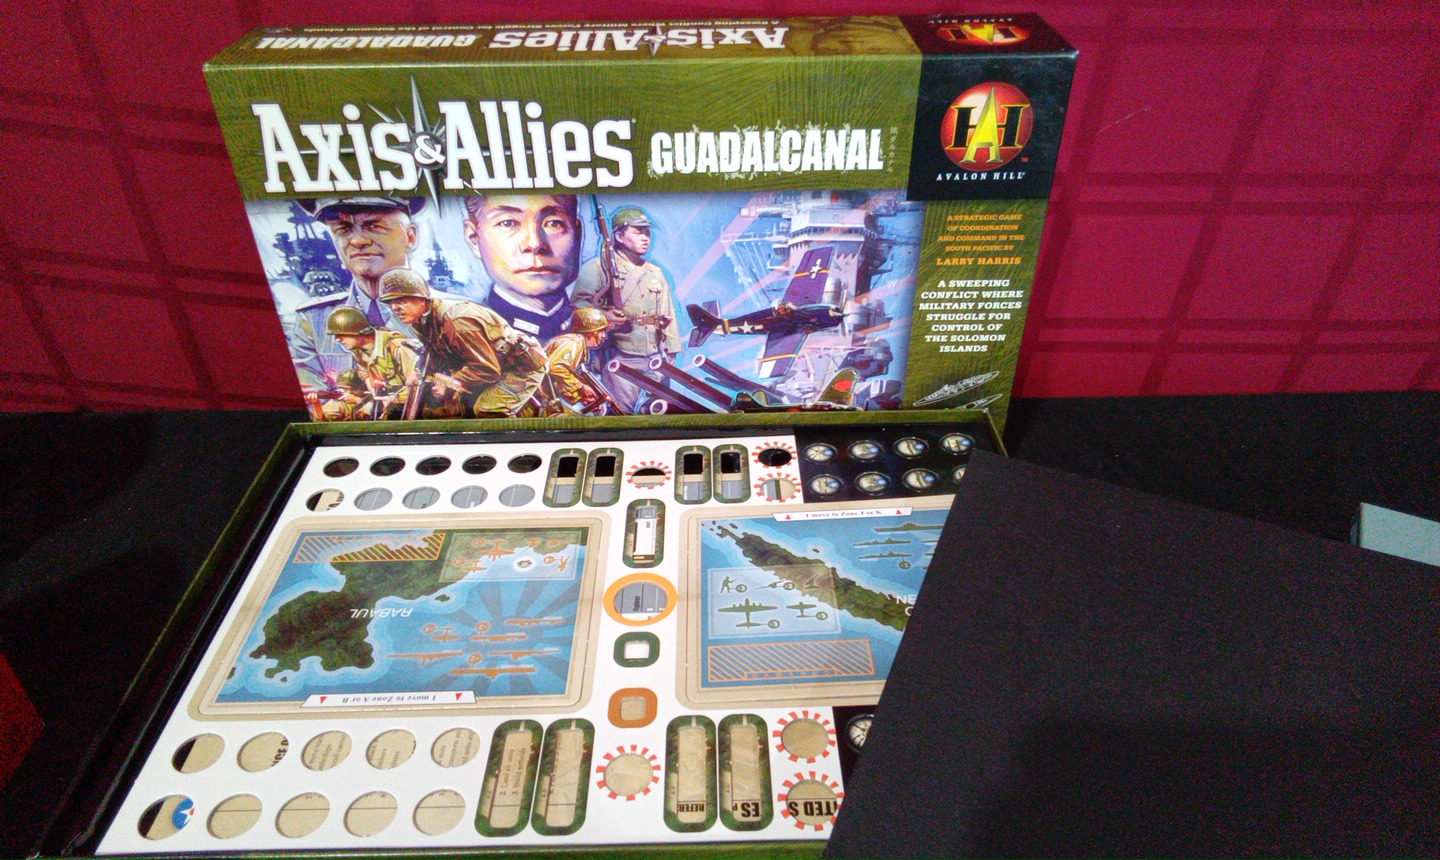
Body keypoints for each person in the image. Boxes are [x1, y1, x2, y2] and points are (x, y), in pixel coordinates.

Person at [289, 195, 426, 399]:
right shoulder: (313, 320)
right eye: (343, 229)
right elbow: (314, 402)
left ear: (411, 237)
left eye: (375, 226)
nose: (358, 241)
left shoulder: (448, 312)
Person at [377, 268, 548, 418]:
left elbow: (488, 369)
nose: (394, 308)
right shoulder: (422, 320)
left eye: (401, 301)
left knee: (489, 410)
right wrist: (418, 373)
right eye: (390, 302)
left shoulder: (456, 322)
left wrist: (449, 383)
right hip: (492, 364)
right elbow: (434, 353)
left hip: (520, 366)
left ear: (421, 298)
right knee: (448, 409)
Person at [572, 206, 681, 413]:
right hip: (620, 358)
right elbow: (578, 306)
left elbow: (667, 313)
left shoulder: (655, 272)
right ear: (619, 236)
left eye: (647, 232)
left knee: (659, 412)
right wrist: (604, 316)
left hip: (655, 358)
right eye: (638, 231)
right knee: (624, 414)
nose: (645, 237)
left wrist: (672, 347)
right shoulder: (598, 267)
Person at [462, 193, 582, 343]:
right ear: (474, 239)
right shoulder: (465, 336)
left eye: (554, 223)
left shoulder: (599, 331)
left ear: (577, 235)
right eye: (508, 223)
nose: (535, 244)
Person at [312, 307, 420, 420]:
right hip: (384, 402)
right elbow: (362, 370)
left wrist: (395, 399)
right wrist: (368, 380)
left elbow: (417, 382)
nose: (337, 339)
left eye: (341, 334)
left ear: (358, 332)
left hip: (408, 406)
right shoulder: (358, 351)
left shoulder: (395, 345)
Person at [539, 307, 614, 415]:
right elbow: (554, 367)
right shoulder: (574, 342)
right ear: (591, 331)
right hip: (534, 396)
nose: (604, 336)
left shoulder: (576, 343)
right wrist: (581, 387)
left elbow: (558, 380)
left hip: (542, 396)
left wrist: (580, 396)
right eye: (601, 331)